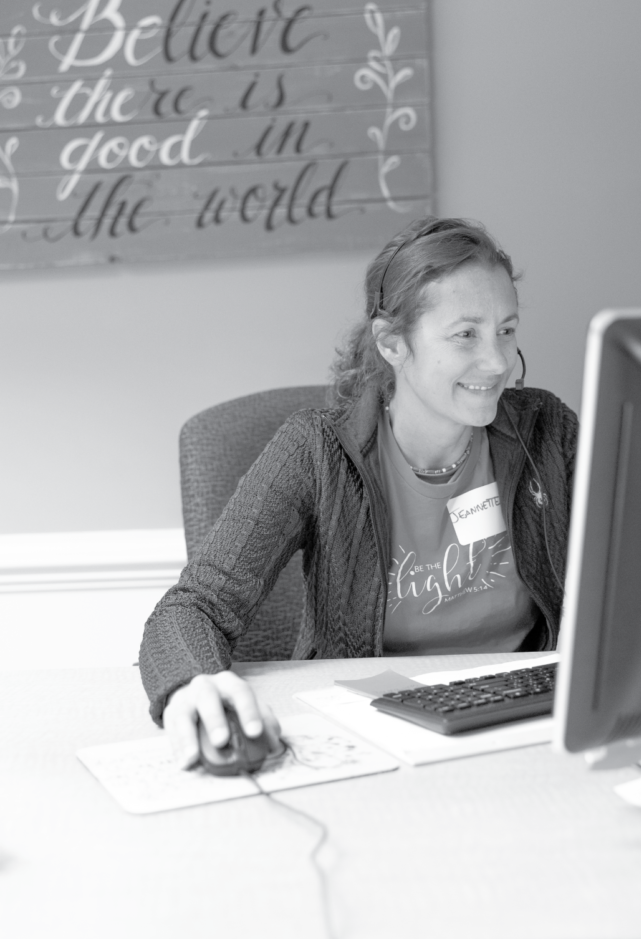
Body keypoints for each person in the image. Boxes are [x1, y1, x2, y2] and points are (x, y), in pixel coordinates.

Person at [139, 217, 577, 767]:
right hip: (370, 732)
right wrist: (191, 684)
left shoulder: (546, 431)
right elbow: (193, 607)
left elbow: (636, 568)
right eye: (466, 334)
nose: (497, 362)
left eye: (506, 330)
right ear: (393, 342)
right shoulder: (317, 451)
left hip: (525, 722)